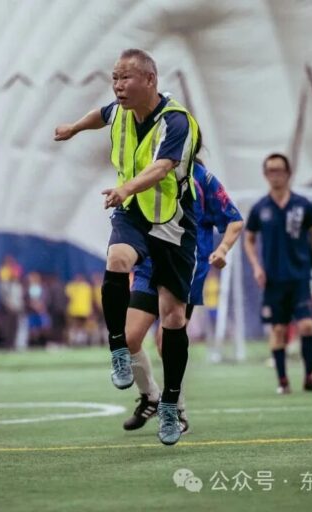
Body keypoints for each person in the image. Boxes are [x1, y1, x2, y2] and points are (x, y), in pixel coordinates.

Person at [54, 48, 201, 445]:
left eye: (125, 78)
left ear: (150, 80)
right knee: (117, 259)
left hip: (172, 222)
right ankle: (117, 347)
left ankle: (170, 404)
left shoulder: (177, 121)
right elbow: (100, 115)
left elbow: (162, 167)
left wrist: (125, 188)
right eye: (114, 78)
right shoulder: (119, 111)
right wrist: (74, 128)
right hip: (133, 212)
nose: (117, 86)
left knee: (173, 319)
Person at [121, 159, 244, 433]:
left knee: (166, 341)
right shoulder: (146, 171)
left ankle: (177, 409)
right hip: (149, 265)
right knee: (129, 338)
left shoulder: (203, 179)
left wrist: (222, 249)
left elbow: (235, 220)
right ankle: (151, 396)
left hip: (184, 267)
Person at [243, 153, 312, 395]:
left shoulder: (303, 205)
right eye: (271, 170)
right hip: (273, 281)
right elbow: (249, 239)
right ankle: (283, 381)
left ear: (288, 173)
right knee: (278, 330)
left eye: (279, 170)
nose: (275, 175)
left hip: (300, 277)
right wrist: (256, 267)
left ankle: (309, 377)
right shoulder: (260, 208)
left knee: (307, 326)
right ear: (265, 174)